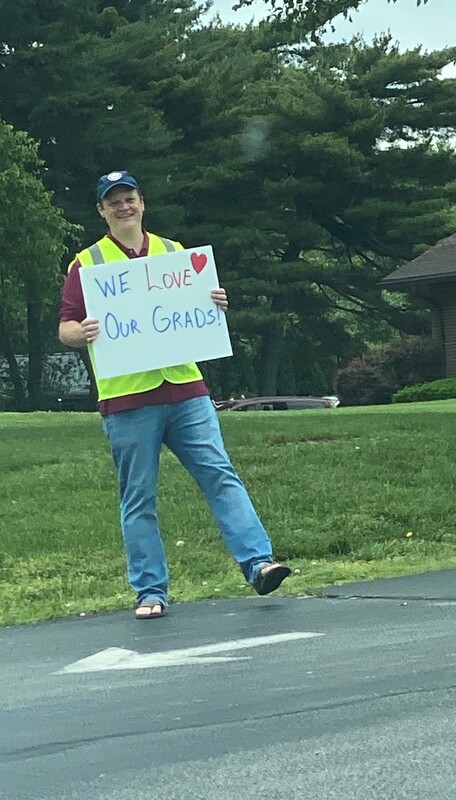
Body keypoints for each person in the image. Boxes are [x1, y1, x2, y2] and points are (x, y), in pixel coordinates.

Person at [59, 170, 290, 619]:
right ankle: (150, 591)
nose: (123, 207)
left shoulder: (174, 253)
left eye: (130, 198)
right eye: (114, 201)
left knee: (221, 476)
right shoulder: (86, 264)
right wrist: (80, 332)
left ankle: (260, 563)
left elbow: (199, 305)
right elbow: (66, 324)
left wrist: (215, 300)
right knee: (138, 497)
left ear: (142, 203)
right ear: (102, 211)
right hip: (127, 399)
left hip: (185, 390)